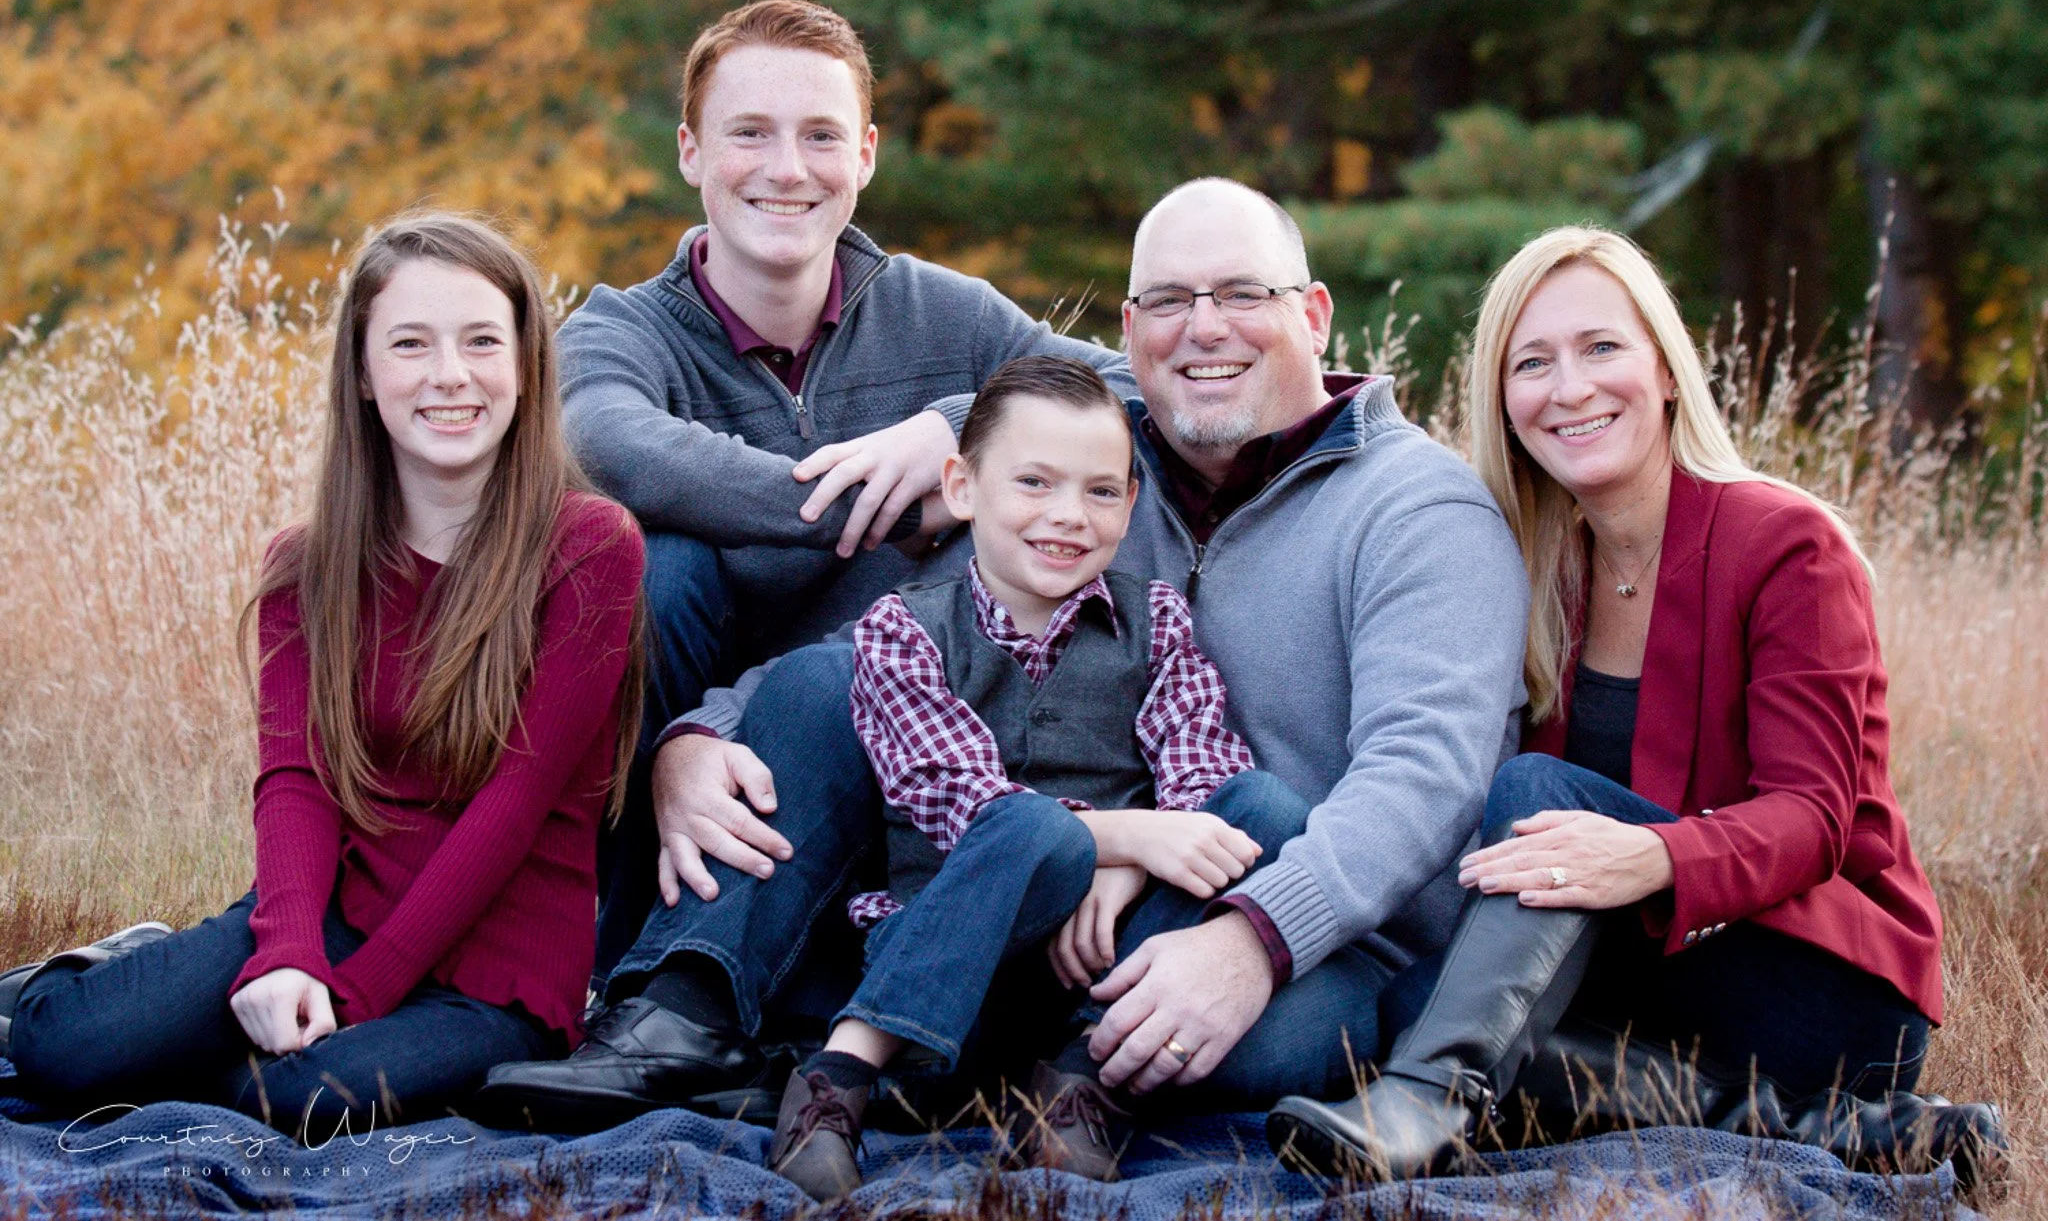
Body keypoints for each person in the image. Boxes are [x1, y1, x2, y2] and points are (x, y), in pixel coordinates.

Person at [476, 176, 1531, 1131]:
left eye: (1240, 295)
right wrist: (696, 734)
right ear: (1125, 332)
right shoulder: (1093, 461)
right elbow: (897, 634)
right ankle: (687, 1012)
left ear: (1311, 314)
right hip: (1043, 879)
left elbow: (1419, 778)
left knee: (1263, 1006)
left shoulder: (1416, 508)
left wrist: (1250, 935)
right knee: (820, 684)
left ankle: (897, 1063)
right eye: (1167, 301)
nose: (1202, 330)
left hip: (1282, 925)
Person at [1266, 225, 2006, 1186]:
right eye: (1532, 363)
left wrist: (1653, 854)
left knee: (1534, 792)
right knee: (1409, 1006)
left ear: (1664, 368)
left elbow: (1816, 815)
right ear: (1506, 401)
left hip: (1819, 978)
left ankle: (1430, 1101)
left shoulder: (1786, 543)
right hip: (1652, 983)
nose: (1569, 388)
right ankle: (1833, 1129)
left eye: (1600, 348)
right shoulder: (1533, 573)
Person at [0, 214, 645, 1135]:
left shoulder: (588, 548)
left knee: (291, 1099)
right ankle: (115, 967)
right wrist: (288, 953)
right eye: (411, 344)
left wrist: (359, 991)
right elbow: (296, 778)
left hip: (497, 970)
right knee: (60, 1048)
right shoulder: (307, 567)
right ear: (362, 374)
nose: (450, 374)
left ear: (527, 366)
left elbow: (517, 800)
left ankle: (207, 1010)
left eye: (480, 342)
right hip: (332, 913)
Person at [546, 0, 1133, 986]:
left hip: (888, 736)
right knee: (654, 566)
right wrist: (887, 500)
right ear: (689, 151)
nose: (786, 168)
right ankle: (626, 964)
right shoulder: (619, 332)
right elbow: (613, 444)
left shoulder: (943, 313)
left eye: (819, 135)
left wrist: (947, 431)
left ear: (864, 155)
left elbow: (1119, 383)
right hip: (673, 757)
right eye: (749, 133)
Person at [765, 356, 1309, 1199]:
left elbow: (1204, 783)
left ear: (1131, 505)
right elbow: (960, 803)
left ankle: (1076, 1086)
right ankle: (840, 1078)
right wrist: (1122, 836)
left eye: (1100, 492)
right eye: (1033, 482)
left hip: (1095, 982)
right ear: (963, 483)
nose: (1067, 515)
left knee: (1264, 807)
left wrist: (1127, 874)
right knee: (1029, 826)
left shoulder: (1155, 621)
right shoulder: (903, 632)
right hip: (953, 982)